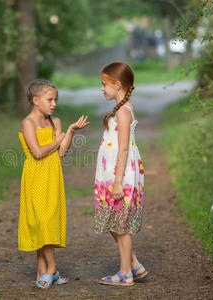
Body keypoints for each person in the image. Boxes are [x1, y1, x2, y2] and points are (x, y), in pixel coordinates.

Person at [18, 79, 89, 289]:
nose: (54, 104)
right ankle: (52, 268)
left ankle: (44, 270)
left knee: (47, 220)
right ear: (35, 100)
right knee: (40, 221)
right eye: (49, 99)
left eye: (55, 99)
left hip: (52, 176)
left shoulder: (55, 122)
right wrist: (57, 141)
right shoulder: (28, 123)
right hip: (35, 176)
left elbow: (62, 152)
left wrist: (71, 131)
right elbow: (38, 152)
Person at [94, 62, 148, 286]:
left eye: (104, 84)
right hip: (111, 173)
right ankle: (133, 264)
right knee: (112, 220)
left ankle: (125, 273)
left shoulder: (124, 112)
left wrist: (118, 182)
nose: (101, 89)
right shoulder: (119, 109)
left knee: (121, 224)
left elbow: (124, 148)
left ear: (117, 85)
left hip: (121, 175)